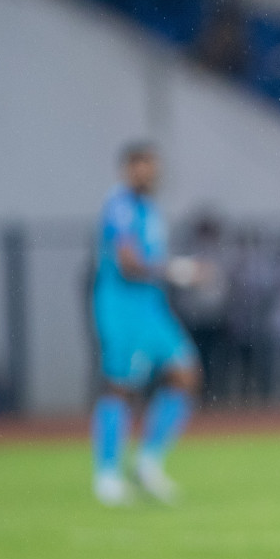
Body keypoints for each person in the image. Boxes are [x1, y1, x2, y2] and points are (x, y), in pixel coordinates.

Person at [89, 143, 200, 506]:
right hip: (122, 309)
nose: (148, 174)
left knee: (185, 374)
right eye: (141, 168)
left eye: (152, 168)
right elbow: (127, 264)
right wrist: (176, 271)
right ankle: (106, 474)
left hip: (152, 309)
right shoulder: (120, 206)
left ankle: (148, 462)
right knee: (120, 387)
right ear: (127, 170)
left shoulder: (149, 209)